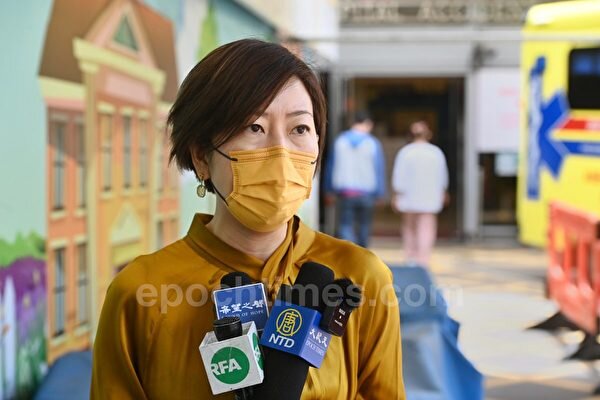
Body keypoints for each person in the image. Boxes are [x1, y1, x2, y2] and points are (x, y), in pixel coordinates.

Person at [91, 39, 405, 399]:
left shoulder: (361, 275)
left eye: (299, 129)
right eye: (253, 128)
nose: (281, 153)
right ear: (201, 157)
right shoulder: (139, 291)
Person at [391, 120, 449, 267]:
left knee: (409, 227)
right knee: (426, 227)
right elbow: (442, 176)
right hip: (429, 196)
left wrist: (397, 194)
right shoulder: (436, 152)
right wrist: (442, 191)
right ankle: (424, 258)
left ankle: (410, 257)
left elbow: (399, 176)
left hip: (409, 196)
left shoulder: (406, 152)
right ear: (429, 134)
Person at [324, 111, 386, 248]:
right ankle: (363, 256)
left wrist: (328, 190)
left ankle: (349, 255)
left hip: (345, 192)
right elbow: (378, 170)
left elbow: (331, 166)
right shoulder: (372, 143)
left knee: (345, 225)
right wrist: (380, 193)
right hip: (367, 192)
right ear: (368, 124)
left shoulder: (340, 141)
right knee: (364, 226)